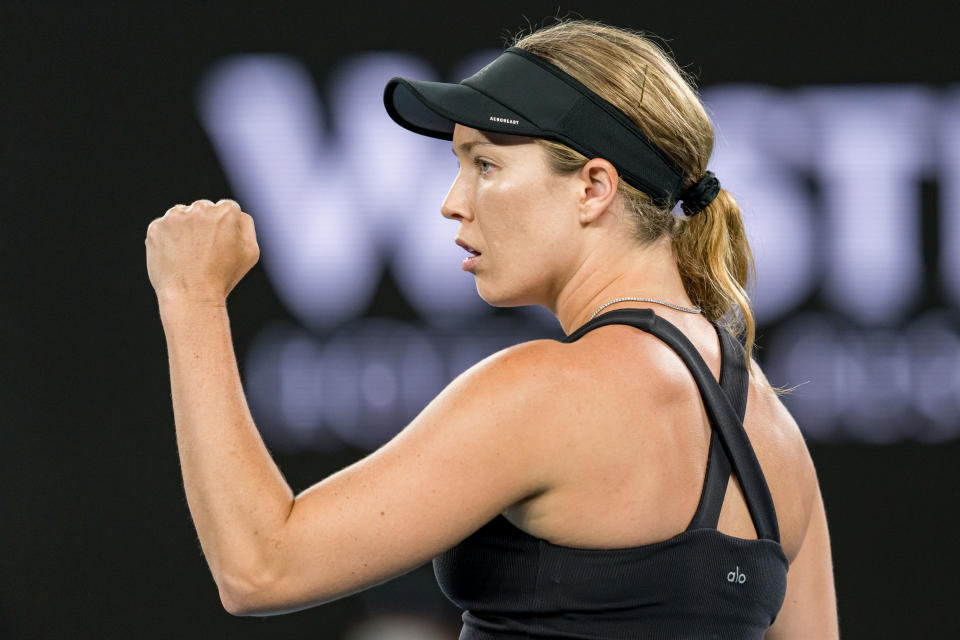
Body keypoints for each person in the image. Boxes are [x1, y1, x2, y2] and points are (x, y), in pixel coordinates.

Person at [145, 19, 838, 639]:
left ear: (593, 187)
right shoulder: (774, 433)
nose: (452, 203)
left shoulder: (548, 391)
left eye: (486, 164)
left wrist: (192, 298)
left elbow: (261, 568)